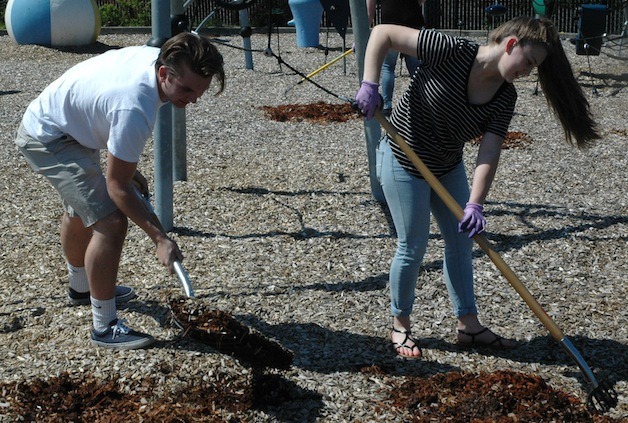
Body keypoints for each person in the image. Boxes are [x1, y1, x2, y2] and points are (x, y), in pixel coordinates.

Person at [355, 17, 598, 359]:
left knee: (461, 241)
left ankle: (468, 325)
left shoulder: (504, 97)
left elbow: (489, 151)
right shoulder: (450, 50)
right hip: (402, 158)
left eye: (535, 68)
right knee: (413, 245)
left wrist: (476, 204)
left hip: (446, 165)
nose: (528, 71)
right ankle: (401, 325)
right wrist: (371, 84)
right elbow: (383, 34)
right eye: (528, 62)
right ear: (511, 44)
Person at [14, 32, 225, 350]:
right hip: (48, 136)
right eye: (187, 89)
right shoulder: (135, 108)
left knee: (83, 206)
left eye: (200, 91)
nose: (193, 98)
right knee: (111, 221)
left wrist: (125, 171)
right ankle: (104, 325)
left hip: (68, 125)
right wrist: (161, 239)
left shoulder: (155, 56)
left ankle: (82, 289)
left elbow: (117, 166)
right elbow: (117, 188)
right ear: (164, 73)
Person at [366, 0, 427, 116]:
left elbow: (370, 10)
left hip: (390, 23)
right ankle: (422, 104)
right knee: (417, 69)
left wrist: (362, 35)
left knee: (388, 67)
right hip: (412, 21)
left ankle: (387, 106)